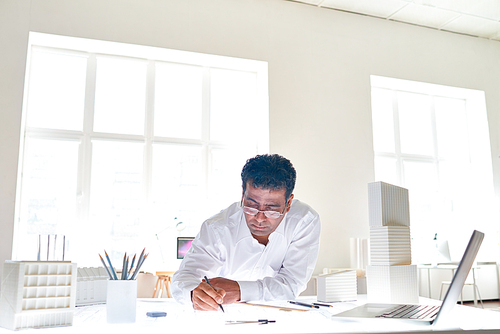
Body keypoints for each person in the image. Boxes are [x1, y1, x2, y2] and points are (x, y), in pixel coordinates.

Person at [171, 154, 321, 311]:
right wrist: (193, 293)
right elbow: (183, 278)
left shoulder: (304, 221)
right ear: (242, 195)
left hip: (278, 318)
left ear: (288, 203)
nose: (260, 217)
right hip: (223, 317)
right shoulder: (217, 228)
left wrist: (239, 290)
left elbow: (291, 285)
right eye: (251, 205)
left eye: (271, 209)